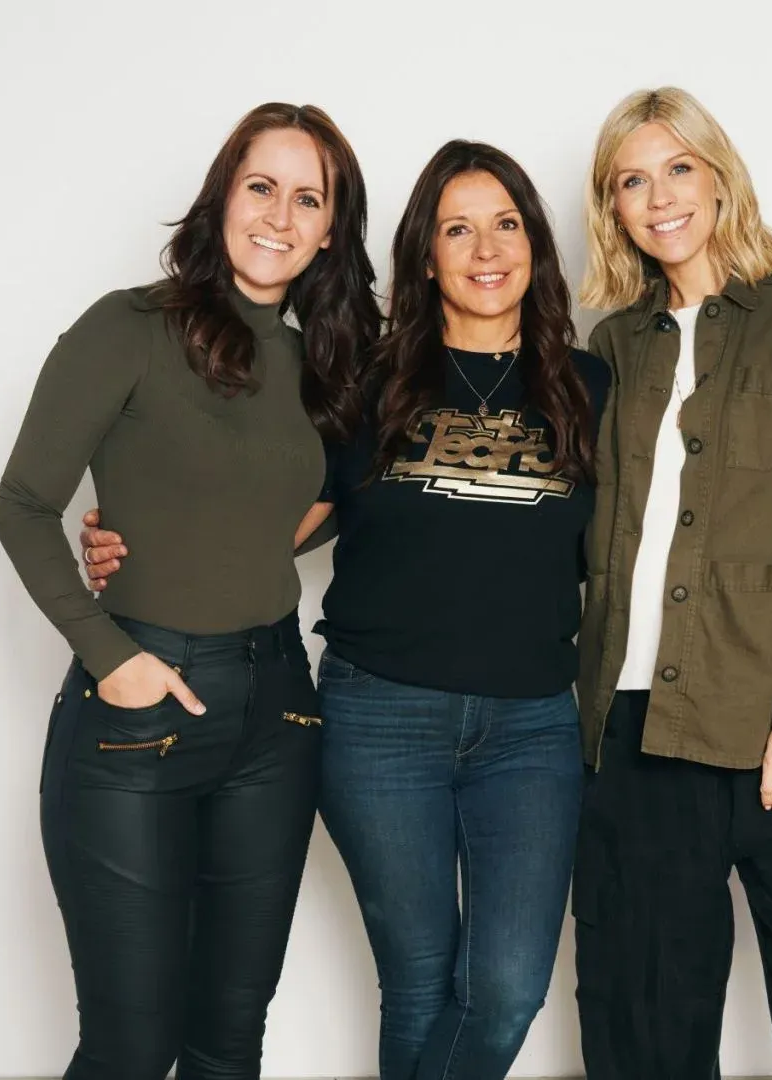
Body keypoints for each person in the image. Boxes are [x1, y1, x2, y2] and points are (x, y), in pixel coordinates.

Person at [80, 140, 610, 1080]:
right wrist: (132, 540)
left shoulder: (589, 386)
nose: (485, 248)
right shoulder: (368, 379)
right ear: (425, 255)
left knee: (505, 990)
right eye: (457, 228)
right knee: (417, 979)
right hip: (381, 719)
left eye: (506, 224)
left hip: (531, 726)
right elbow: (269, 517)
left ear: (535, 242)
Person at [0, 102, 381, 1080]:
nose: (280, 217)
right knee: (132, 1046)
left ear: (331, 228)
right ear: (222, 197)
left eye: (309, 199)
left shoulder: (315, 361)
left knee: (226, 1041)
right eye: (262, 187)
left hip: (278, 712)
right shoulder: (128, 328)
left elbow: (325, 502)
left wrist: (233, 534)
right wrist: (110, 654)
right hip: (138, 714)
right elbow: (24, 503)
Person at [570, 87, 772, 1080]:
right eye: (632, 180)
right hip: (632, 729)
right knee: (644, 1022)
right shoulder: (613, 348)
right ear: (611, 206)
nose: (658, 197)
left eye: (677, 169)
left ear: (718, 176)